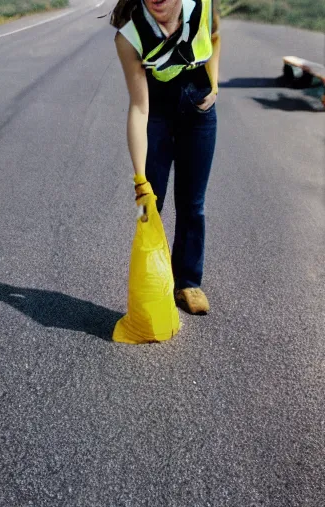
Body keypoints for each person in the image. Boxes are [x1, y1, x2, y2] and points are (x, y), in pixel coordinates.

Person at [111, 0, 221, 315]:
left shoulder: (201, 6)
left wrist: (214, 86)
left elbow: (214, 36)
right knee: (150, 206)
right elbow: (139, 107)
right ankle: (153, 283)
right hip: (155, 114)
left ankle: (187, 282)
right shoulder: (130, 37)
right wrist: (139, 178)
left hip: (200, 114)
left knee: (193, 204)